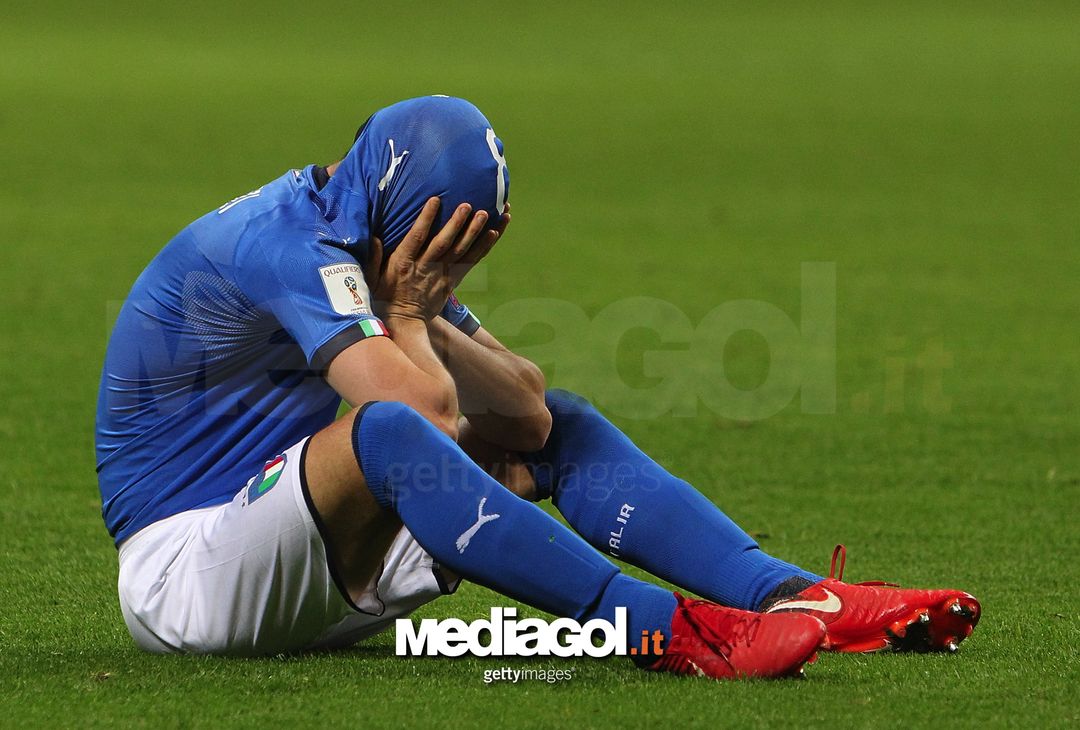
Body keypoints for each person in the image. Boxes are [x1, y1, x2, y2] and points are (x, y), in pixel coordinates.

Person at [95, 96, 979, 678]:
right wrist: (408, 310)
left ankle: (792, 596)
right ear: (400, 224)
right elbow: (422, 419)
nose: (449, 266)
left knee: (557, 427)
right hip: (190, 574)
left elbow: (521, 408)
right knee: (395, 435)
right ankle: (669, 633)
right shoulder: (287, 247)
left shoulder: (357, 226)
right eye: (442, 245)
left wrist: (419, 304)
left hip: (294, 546)